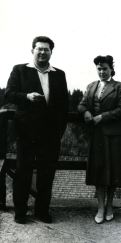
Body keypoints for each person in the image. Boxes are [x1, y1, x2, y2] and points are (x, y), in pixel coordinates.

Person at [5, 36, 68, 224]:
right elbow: (8, 94)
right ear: (32, 50)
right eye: (39, 49)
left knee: (46, 172)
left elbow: (64, 104)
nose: (42, 52)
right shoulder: (20, 70)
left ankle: (42, 211)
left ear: (51, 52)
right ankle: (20, 212)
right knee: (23, 170)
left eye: (46, 49)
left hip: (50, 133)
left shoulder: (59, 74)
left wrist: (59, 130)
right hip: (26, 131)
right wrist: (26, 97)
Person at [78, 55, 121, 224]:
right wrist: (85, 112)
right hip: (97, 135)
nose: (102, 72)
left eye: (105, 68)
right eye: (99, 69)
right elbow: (81, 104)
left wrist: (102, 117)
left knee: (112, 171)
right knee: (98, 171)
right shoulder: (91, 86)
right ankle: (100, 207)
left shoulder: (120, 87)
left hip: (114, 135)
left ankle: (110, 205)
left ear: (111, 69)